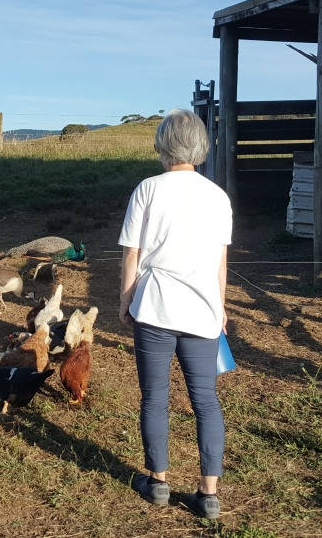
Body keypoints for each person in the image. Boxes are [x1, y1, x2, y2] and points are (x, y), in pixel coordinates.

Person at [118, 109, 231, 520]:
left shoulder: (148, 189)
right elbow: (221, 260)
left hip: (155, 309)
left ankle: (159, 482)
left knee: (155, 399)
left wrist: (125, 300)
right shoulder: (217, 196)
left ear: (163, 146)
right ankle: (209, 493)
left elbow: (133, 252)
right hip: (203, 311)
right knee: (206, 401)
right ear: (200, 147)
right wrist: (220, 308)